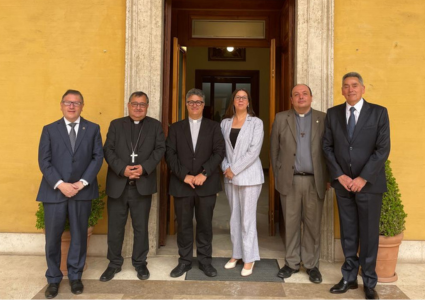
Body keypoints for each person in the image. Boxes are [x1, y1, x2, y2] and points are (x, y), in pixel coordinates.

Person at [323, 72, 390, 299]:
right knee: (348, 233)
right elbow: (327, 147)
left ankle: (369, 281)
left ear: (362, 89)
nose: (350, 89)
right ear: (342, 91)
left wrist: (363, 178)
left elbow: (382, 149)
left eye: (354, 85)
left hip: (368, 185)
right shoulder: (333, 114)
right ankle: (349, 277)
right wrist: (339, 175)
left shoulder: (379, 113)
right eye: (346, 86)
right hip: (343, 185)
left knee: (369, 235)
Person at [37, 90, 103, 299]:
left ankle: (75, 276)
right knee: (53, 238)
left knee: (79, 236)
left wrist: (81, 183)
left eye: (76, 103)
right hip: (54, 191)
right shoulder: (49, 130)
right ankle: (53, 279)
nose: (72, 106)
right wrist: (60, 184)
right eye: (68, 102)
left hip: (81, 192)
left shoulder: (92, 128)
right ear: (61, 105)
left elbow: (97, 157)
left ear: (82, 106)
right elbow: (44, 161)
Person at [101, 91, 165, 282]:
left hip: (142, 184)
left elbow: (160, 149)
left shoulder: (155, 126)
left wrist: (143, 168)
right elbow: (108, 150)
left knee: (141, 227)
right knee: (115, 228)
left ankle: (140, 263)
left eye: (142, 104)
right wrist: (123, 169)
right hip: (118, 184)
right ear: (128, 105)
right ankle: (114, 263)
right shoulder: (115, 124)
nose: (138, 107)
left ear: (147, 106)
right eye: (135, 104)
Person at [270, 84, 329, 283]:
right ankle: (291, 263)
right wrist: (278, 176)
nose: (301, 97)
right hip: (290, 180)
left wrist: (328, 177)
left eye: (304, 94)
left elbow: (330, 149)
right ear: (291, 99)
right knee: (291, 223)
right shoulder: (281, 118)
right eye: (296, 94)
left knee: (313, 225)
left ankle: (312, 266)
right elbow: (274, 150)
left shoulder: (323, 119)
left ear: (311, 97)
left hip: (315, 181)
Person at [166, 88, 225, 278]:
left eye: (198, 102)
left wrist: (204, 173)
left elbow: (219, 152)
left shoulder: (214, 127)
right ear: (186, 104)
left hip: (206, 184)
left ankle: (205, 261)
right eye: (191, 102)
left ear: (203, 104)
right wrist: (184, 175)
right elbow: (170, 154)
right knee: (183, 225)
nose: (194, 105)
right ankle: (184, 261)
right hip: (181, 184)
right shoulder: (175, 128)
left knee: (205, 224)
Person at [220, 89, 264, 276]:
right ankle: (237, 253)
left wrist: (234, 169)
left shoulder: (256, 123)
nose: (240, 100)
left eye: (244, 97)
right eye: (237, 97)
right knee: (234, 218)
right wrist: (225, 168)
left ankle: (250, 258)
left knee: (247, 219)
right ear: (233, 101)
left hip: (250, 177)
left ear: (248, 102)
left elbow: (254, 152)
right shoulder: (225, 123)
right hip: (229, 177)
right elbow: (221, 149)